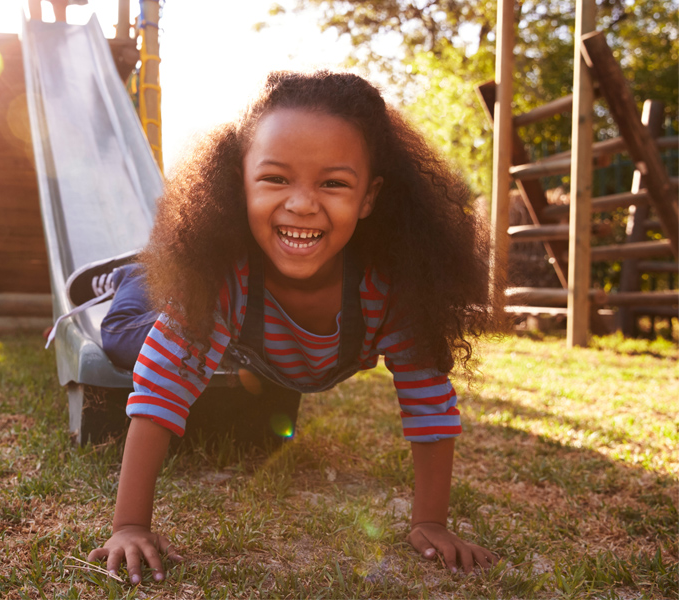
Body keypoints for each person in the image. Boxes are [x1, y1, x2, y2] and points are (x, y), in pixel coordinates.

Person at [79, 70, 501, 584]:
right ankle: (134, 274)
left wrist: (430, 521)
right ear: (241, 181)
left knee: (233, 363)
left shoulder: (392, 289)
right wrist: (128, 525)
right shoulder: (223, 279)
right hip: (197, 310)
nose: (302, 203)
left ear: (369, 197)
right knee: (130, 343)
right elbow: (160, 389)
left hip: (261, 347)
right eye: (276, 178)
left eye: (334, 183)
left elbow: (429, 401)